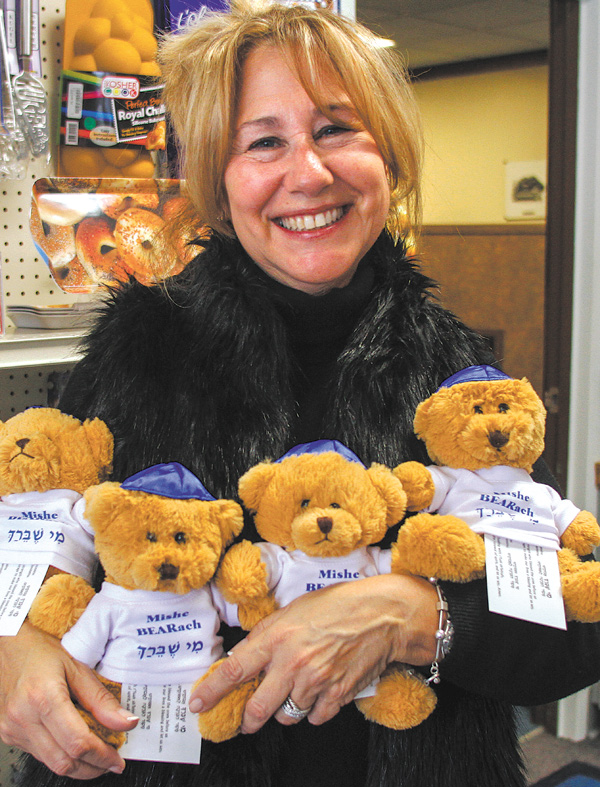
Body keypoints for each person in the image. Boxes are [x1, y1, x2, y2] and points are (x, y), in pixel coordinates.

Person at [3, 2, 600, 786]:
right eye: (265, 142)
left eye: (335, 129)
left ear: (388, 154)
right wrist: (14, 646)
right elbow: (29, 551)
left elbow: (571, 625)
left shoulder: (460, 378)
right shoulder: (135, 349)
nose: (308, 173)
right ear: (220, 175)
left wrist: (417, 616)